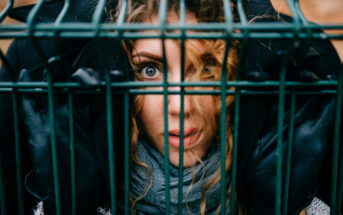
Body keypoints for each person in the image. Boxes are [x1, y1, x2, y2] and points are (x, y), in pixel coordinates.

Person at [0, 0, 341, 214]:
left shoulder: (277, 155)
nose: (181, 106)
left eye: (207, 67)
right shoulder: (87, 165)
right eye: (149, 70)